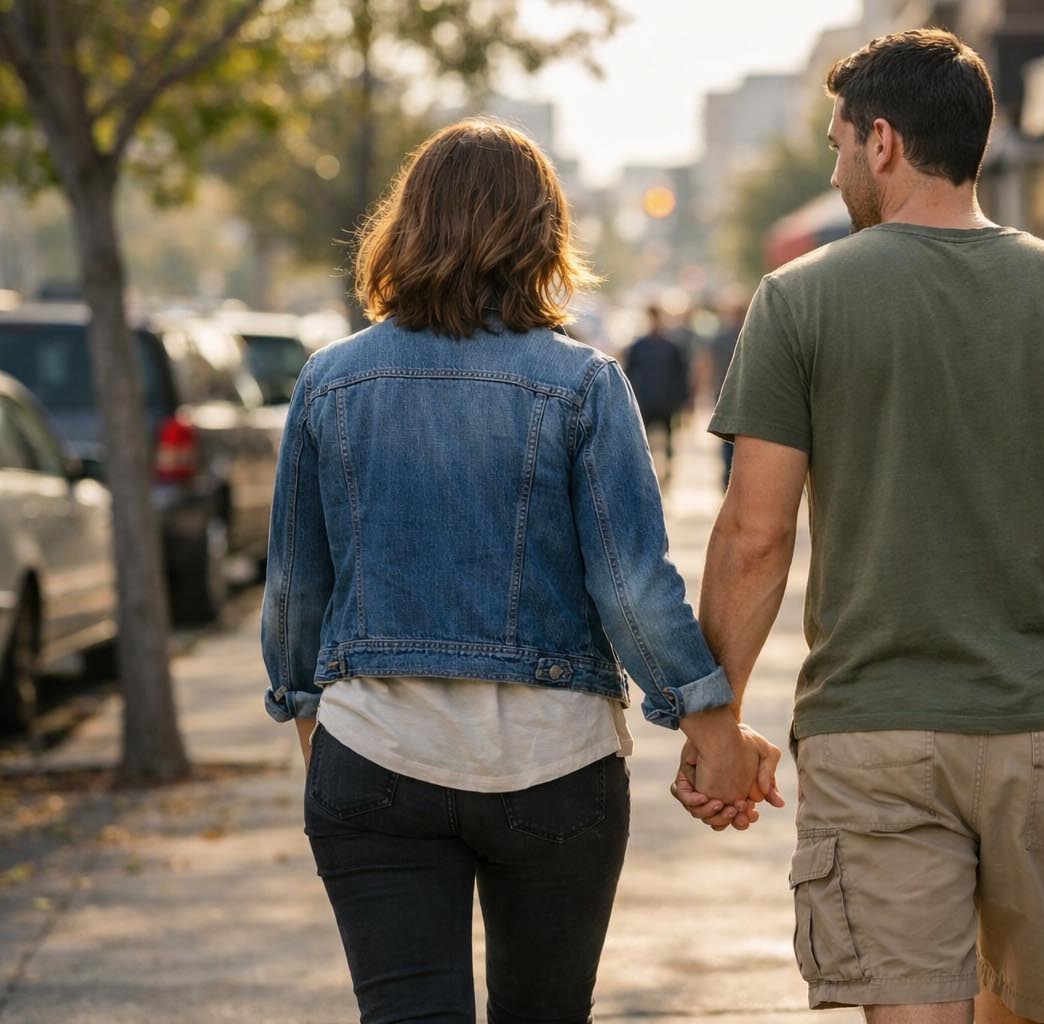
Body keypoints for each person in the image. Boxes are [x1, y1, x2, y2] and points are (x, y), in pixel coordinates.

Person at [672, 30, 1044, 1024]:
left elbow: (754, 535)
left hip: (872, 732)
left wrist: (720, 719)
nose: (837, 170)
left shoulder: (799, 301)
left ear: (882, 141)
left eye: (838, 145)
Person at [259, 118, 780, 1024]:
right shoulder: (581, 384)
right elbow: (630, 585)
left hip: (374, 754)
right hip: (553, 766)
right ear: (543, 234)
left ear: (406, 227)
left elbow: (295, 588)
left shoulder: (329, 381)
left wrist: (312, 721)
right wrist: (711, 723)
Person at [622, 305, 691, 487]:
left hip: (665, 401)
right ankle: (647, 472)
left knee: (668, 437)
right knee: (643, 440)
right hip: (644, 401)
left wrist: (684, 400)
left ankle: (667, 470)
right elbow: (628, 374)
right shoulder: (638, 347)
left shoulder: (672, 347)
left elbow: (681, 375)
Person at [708, 297, 747, 490]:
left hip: (724, 391)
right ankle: (739, 480)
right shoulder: (751, 336)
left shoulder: (721, 337)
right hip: (745, 393)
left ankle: (728, 481)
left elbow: (710, 364)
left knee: (726, 437)